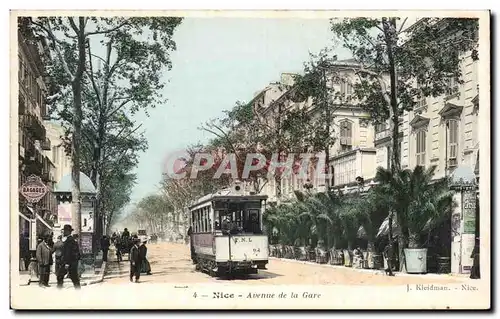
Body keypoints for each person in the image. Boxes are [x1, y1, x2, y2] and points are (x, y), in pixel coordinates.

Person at [57, 224, 81, 289]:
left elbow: (68, 253)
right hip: (71, 263)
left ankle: (59, 290)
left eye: (64, 231)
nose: (63, 232)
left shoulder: (69, 241)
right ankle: (78, 290)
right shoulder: (71, 240)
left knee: (60, 276)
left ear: (68, 231)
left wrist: (67, 263)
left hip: (68, 263)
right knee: (74, 278)